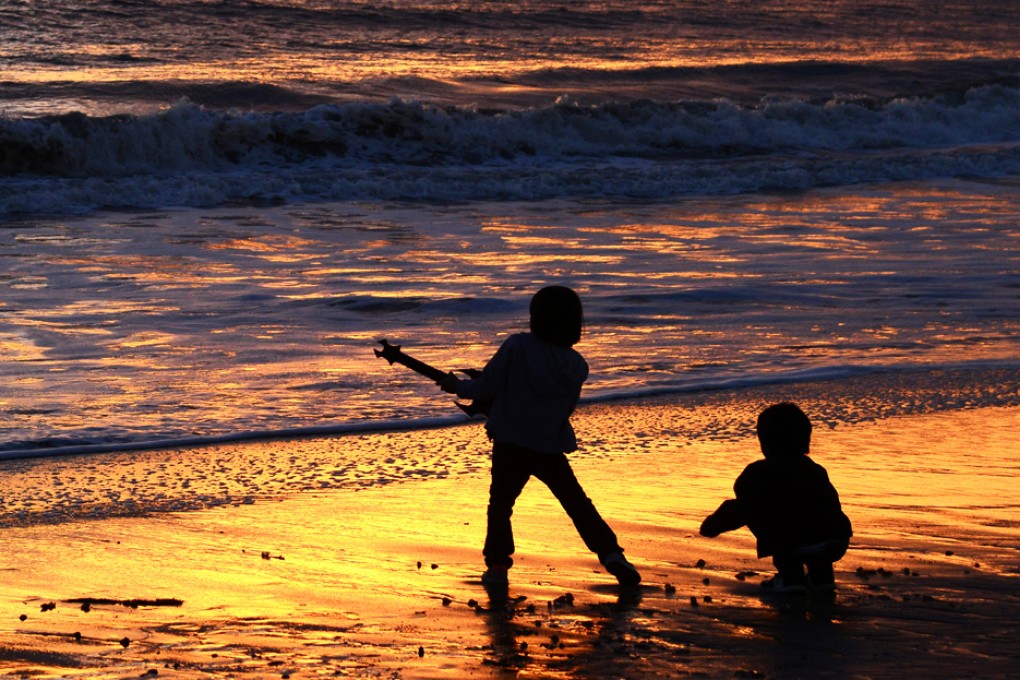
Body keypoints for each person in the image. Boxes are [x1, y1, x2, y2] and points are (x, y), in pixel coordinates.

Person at [439, 285, 641, 588]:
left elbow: (486, 389)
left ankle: (497, 565)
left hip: (510, 444)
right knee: (576, 503)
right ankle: (612, 555)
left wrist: (458, 387)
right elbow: (565, 409)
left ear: (537, 318)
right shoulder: (576, 365)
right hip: (549, 447)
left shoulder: (518, 346)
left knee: (501, 506)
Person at [700, 402, 852, 594]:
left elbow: (740, 509)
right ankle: (822, 577)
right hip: (835, 541)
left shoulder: (755, 474)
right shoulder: (815, 470)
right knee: (811, 520)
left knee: (776, 522)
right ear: (806, 439)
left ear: (765, 442)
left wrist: (712, 526)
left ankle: (791, 578)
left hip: (792, 543)